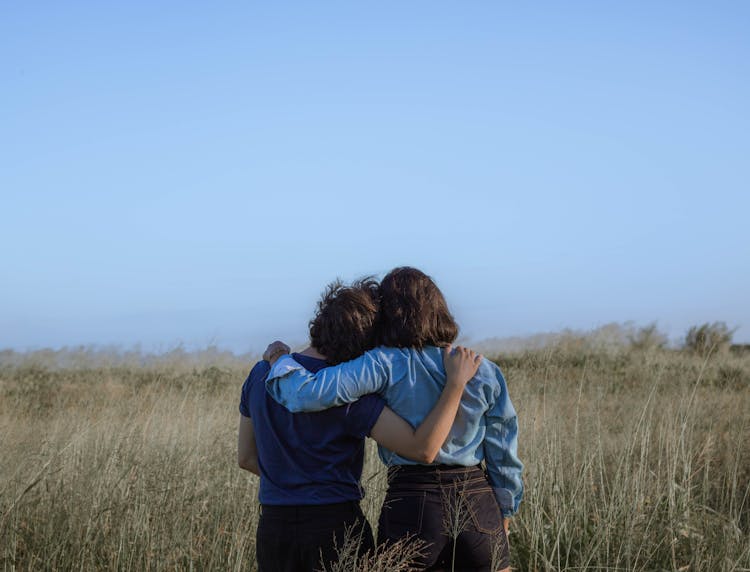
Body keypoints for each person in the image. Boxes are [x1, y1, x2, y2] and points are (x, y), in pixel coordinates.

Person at [264, 267, 523, 572]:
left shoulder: (382, 362)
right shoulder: (483, 369)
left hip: (413, 500)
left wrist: (279, 359)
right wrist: (504, 513)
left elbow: (304, 395)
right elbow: (504, 454)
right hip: (479, 502)